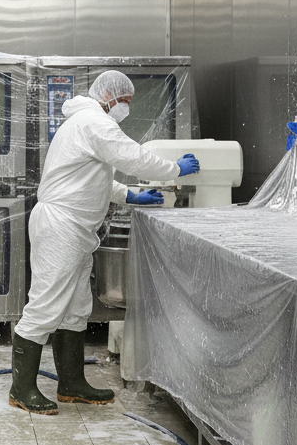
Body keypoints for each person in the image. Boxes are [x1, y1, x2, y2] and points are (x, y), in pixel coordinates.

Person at [10, 69, 199, 415]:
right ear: (109, 97)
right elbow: (133, 157)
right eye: (125, 102)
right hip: (62, 226)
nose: (126, 108)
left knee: (76, 307)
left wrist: (130, 196)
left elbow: (94, 178)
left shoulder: (85, 124)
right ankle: (21, 389)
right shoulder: (94, 123)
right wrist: (175, 169)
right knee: (46, 304)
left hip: (76, 228)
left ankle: (71, 384)